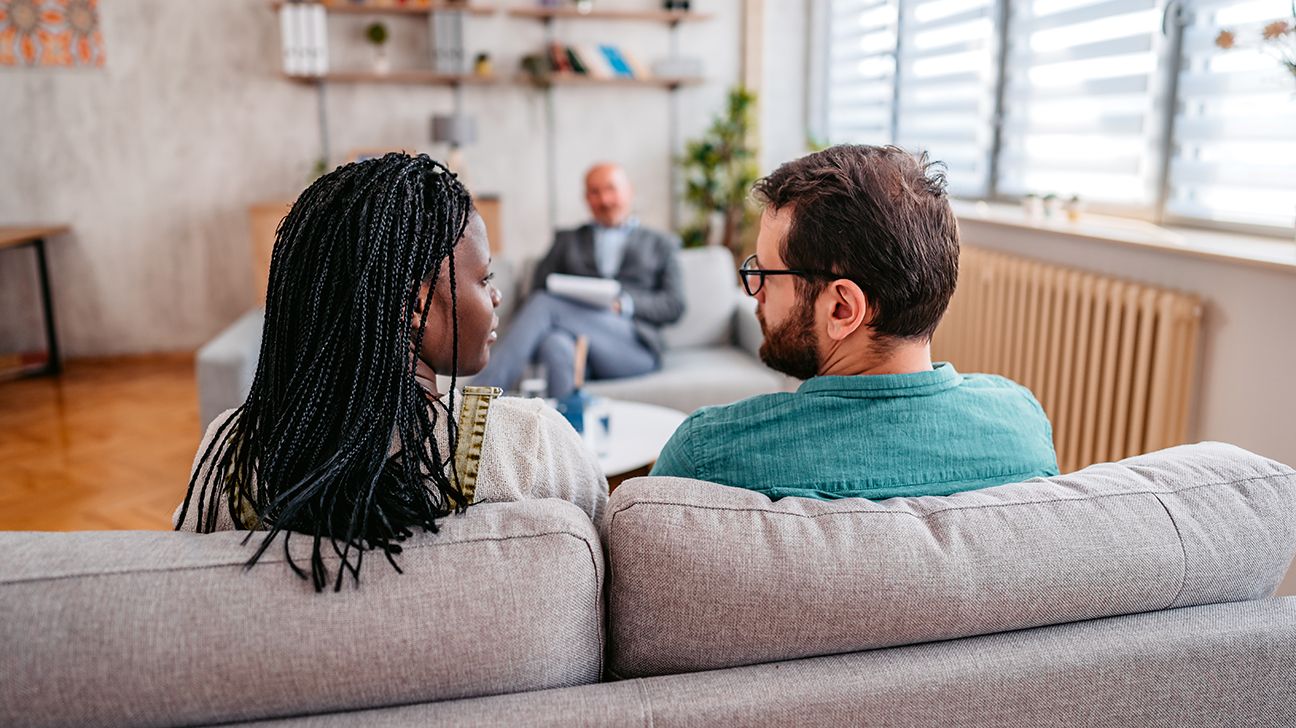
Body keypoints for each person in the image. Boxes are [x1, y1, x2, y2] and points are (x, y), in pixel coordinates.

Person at [175, 153, 607, 591]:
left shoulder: (230, 455)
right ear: (417, 305)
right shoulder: (531, 446)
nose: (495, 296)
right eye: (484, 278)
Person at [650, 145, 1059, 500]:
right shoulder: (1022, 426)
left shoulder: (706, 457)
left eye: (766, 275)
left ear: (842, 309)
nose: (753, 292)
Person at [472, 163, 685, 399]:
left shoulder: (661, 243)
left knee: (545, 305)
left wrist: (624, 304)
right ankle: (567, 430)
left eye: (611, 189)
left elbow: (674, 304)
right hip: (577, 346)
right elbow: (537, 289)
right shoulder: (567, 240)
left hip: (633, 346)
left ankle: (478, 397)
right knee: (555, 345)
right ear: (586, 198)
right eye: (595, 192)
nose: (604, 200)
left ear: (629, 191)